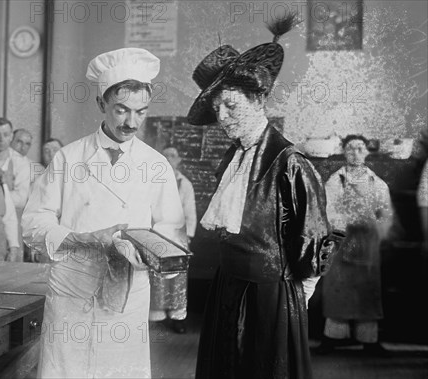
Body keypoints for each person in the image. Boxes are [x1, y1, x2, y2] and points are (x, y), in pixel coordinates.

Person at [188, 15, 338, 379]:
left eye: (230, 105)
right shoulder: (234, 159)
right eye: (217, 109)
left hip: (270, 296)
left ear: (257, 98)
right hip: (228, 287)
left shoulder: (291, 164)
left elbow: (315, 239)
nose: (222, 117)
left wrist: (294, 306)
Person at [22, 47, 186, 378]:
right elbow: (33, 223)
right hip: (73, 287)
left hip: (127, 289)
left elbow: (171, 231)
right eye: (121, 110)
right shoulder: (68, 159)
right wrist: (80, 238)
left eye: (140, 111)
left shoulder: (155, 165)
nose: (131, 122)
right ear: (101, 104)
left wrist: (151, 256)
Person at [317, 135, 394, 356]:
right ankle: (332, 338)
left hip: (368, 243)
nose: (355, 153)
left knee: (367, 290)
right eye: (350, 148)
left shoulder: (377, 183)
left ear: (367, 152)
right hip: (342, 241)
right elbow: (327, 209)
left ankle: (368, 340)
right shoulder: (334, 180)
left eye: (360, 148)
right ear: (343, 152)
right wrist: (346, 222)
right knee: (338, 289)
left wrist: (374, 226)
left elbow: (385, 213)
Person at [149, 146, 197, 333]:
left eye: (172, 155)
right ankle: (157, 315)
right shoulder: (153, 181)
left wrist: (189, 236)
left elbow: (190, 211)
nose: (168, 158)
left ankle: (177, 317)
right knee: (156, 275)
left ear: (178, 160)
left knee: (177, 278)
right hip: (156, 235)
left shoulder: (184, 184)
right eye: (165, 155)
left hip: (178, 237)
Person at [0, 118, 34, 258]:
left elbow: (21, 199)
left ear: (10, 136)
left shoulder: (20, 162)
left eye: (6, 134)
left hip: (11, 223)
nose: (1, 139)